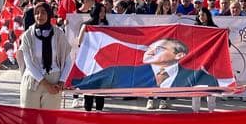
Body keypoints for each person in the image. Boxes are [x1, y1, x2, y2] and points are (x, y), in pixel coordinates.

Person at [15, 1, 72, 124]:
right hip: (33, 81)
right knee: (27, 122)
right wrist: (44, 83)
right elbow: (29, 63)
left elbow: (67, 59)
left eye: (43, 13)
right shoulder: (27, 35)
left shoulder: (59, 34)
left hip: (54, 80)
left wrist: (61, 81)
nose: (40, 16)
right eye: (37, 13)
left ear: (49, 14)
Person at [73, 37, 219, 91]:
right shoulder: (118, 72)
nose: (150, 52)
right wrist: (69, 84)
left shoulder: (199, 77)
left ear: (179, 55)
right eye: (149, 48)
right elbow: (84, 82)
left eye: (159, 49)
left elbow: (214, 89)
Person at [76, 2, 109, 112]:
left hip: (103, 60)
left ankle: (99, 110)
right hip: (90, 60)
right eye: (101, 11)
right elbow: (80, 42)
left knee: (101, 87)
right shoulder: (86, 25)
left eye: (104, 12)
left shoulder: (106, 25)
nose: (103, 14)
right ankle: (88, 109)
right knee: (89, 86)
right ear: (96, 12)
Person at [191, 7, 222, 112]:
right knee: (196, 88)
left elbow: (227, 43)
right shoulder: (194, 28)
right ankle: (196, 112)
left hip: (211, 62)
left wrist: (226, 34)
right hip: (197, 62)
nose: (201, 17)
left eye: (203, 15)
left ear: (208, 16)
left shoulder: (214, 28)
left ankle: (211, 111)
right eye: (199, 15)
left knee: (211, 88)